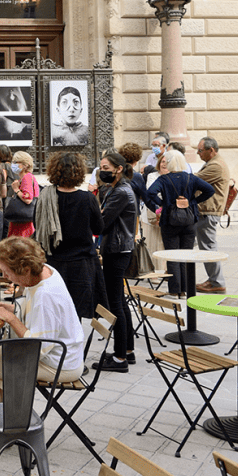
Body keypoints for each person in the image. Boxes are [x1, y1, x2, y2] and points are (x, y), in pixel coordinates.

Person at [0, 237, 86, 403]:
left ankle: (1, 421)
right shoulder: (44, 271)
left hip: (60, 365)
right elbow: (33, 311)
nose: (5, 277)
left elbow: (38, 348)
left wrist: (10, 318)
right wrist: (0, 305)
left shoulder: (45, 295)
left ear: (25, 269)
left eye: (7, 272)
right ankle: (6, 416)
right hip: (63, 355)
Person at [36, 152, 104, 319]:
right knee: (76, 314)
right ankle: (73, 344)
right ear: (79, 172)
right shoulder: (87, 198)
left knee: (54, 312)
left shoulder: (45, 197)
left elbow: (37, 225)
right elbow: (98, 228)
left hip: (53, 262)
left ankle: (57, 344)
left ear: (53, 171)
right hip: (81, 265)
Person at [147, 150, 215, 297]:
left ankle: (175, 290)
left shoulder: (164, 179)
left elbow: (150, 193)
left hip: (170, 221)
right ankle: (187, 290)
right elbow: (210, 190)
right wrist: (192, 202)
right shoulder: (191, 178)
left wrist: (163, 203)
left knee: (172, 255)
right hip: (189, 220)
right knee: (187, 255)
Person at [94, 151, 138, 373]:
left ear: (119, 169)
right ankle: (127, 351)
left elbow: (101, 222)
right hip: (119, 247)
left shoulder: (121, 192)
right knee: (119, 299)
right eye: (101, 167)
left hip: (117, 248)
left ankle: (120, 358)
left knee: (116, 302)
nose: (102, 172)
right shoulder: (117, 189)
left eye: (106, 168)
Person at [194, 137, 230, 293]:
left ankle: (217, 283)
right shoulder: (213, 163)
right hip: (206, 211)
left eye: (200, 150)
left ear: (211, 150)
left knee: (208, 248)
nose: (198, 153)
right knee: (206, 246)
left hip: (208, 211)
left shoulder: (215, 165)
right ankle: (214, 280)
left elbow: (194, 180)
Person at [7, 151, 39, 237]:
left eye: (16, 162)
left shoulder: (27, 177)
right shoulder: (25, 177)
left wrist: (16, 190)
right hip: (22, 220)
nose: (13, 164)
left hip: (23, 222)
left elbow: (28, 199)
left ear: (25, 165)